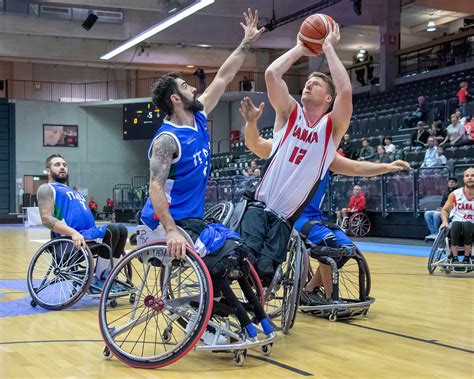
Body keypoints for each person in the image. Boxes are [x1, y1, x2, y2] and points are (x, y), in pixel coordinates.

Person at [139, 9, 272, 340]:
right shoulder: (167, 140)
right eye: (186, 86)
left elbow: (224, 77)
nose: (194, 90)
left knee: (234, 251)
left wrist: (245, 42)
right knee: (217, 259)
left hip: (190, 221)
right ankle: (212, 322)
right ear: (176, 98)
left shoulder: (197, 118)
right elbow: (155, 188)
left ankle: (237, 315)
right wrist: (169, 230)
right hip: (160, 224)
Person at [242, 101, 410, 303]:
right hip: (293, 215)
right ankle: (331, 299)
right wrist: (251, 123)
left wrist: (388, 167)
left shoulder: (328, 157)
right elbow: (255, 144)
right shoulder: (287, 145)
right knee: (328, 243)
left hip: (316, 217)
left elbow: (358, 168)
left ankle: (311, 288)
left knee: (346, 247)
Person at [239, 20, 353, 284]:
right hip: (260, 206)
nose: (308, 86)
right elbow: (271, 75)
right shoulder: (290, 112)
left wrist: (328, 49)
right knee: (241, 261)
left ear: (328, 99)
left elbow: (345, 90)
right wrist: (301, 48)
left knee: (265, 273)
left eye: (316, 84)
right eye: (307, 83)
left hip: (286, 218)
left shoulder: (331, 128)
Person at [37, 154, 128, 292]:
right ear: (48, 170)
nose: (62, 167)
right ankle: (98, 280)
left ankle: (108, 276)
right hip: (70, 240)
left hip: (88, 235)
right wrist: (73, 233)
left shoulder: (73, 191)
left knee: (122, 228)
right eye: (57, 164)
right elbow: (47, 219)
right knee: (112, 230)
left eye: (64, 165)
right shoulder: (47, 189)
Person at [440, 168, 474, 265]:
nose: (470, 178)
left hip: (472, 224)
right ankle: (454, 257)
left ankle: (467, 257)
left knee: (468, 224)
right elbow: (444, 210)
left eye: (472, 175)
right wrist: (444, 221)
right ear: (463, 179)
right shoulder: (455, 194)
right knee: (456, 225)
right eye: (467, 176)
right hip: (457, 223)